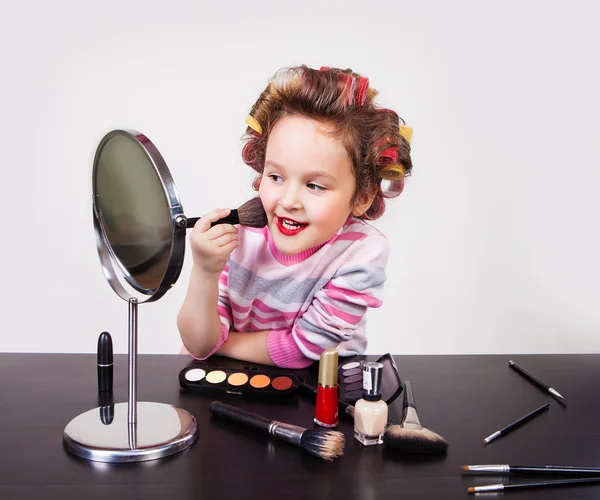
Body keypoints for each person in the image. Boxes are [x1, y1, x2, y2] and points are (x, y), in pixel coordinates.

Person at [178, 65, 413, 368]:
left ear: (363, 195)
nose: (289, 201)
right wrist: (204, 271)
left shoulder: (360, 253)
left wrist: (218, 345)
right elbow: (197, 342)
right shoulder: (242, 238)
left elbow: (301, 349)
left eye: (314, 185)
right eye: (276, 177)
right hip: (238, 384)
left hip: (323, 389)